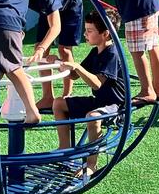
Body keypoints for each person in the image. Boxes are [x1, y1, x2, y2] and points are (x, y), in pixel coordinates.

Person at [53, 9, 127, 178]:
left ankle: (91, 164)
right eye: (86, 30)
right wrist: (58, 62)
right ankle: (64, 149)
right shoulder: (96, 51)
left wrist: (77, 67)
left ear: (105, 34)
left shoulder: (112, 53)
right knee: (59, 103)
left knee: (92, 116)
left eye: (90, 31)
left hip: (116, 105)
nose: (85, 34)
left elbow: (97, 83)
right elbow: (74, 75)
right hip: (99, 101)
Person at [29, 0, 85, 111]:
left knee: (64, 49)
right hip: (48, 8)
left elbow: (56, 27)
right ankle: (48, 97)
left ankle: (67, 95)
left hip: (70, 3)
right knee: (39, 47)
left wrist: (42, 48)